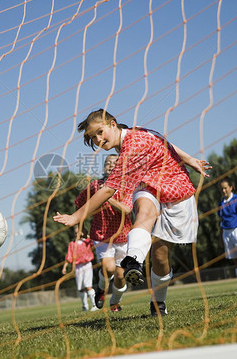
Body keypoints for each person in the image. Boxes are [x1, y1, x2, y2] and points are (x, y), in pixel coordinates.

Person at [54, 109, 210, 317]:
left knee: (160, 257)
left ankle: (158, 302)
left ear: (112, 123)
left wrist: (76, 217)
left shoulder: (131, 147)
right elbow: (163, 140)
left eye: (100, 132)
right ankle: (133, 261)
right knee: (144, 213)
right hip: (149, 185)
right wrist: (190, 158)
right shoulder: (132, 136)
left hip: (176, 189)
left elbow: (108, 190)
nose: (98, 140)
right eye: (93, 138)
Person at [74, 154, 132, 312]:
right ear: (104, 167)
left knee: (120, 277)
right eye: (108, 163)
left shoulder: (126, 186)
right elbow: (79, 203)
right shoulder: (94, 186)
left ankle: (115, 302)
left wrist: (108, 197)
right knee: (109, 268)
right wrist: (81, 227)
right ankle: (101, 288)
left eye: (115, 163)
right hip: (101, 235)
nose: (111, 165)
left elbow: (126, 210)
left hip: (123, 236)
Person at [61, 231, 98, 312]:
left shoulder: (87, 241)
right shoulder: (72, 244)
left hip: (87, 264)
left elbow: (94, 242)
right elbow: (69, 256)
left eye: (79, 232)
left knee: (87, 285)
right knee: (80, 287)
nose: (77, 234)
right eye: (76, 232)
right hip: (78, 266)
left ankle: (95, 304)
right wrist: (65, 267)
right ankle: (85, 306)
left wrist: (87, 235)